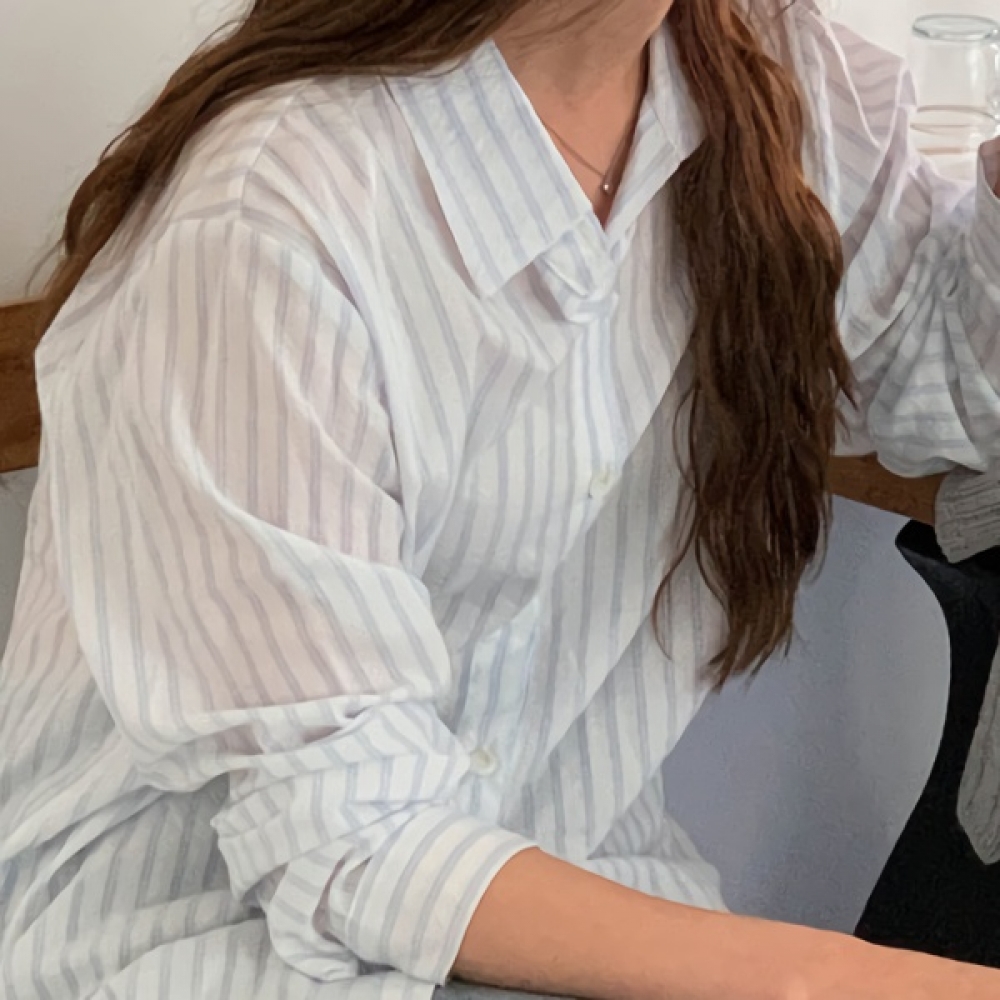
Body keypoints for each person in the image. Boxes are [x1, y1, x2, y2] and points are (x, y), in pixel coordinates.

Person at [2, 0, 1000, 996]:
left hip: (543, 909)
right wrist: (830, 978)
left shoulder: (769, 75)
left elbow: (957, 380)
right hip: (206, 945)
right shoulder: (277, 207)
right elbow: (355, 836)